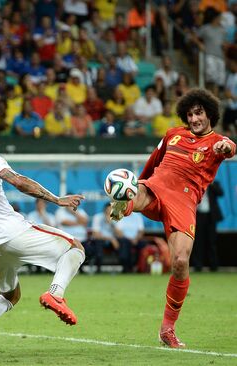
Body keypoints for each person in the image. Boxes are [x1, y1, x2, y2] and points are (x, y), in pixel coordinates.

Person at [110, 89, 236, 348]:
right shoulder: (172, 135)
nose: (193, 118)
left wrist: (226, 146)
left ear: (209, 114)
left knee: (179, 262)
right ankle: (125, 205)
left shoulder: (217, 142)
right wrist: (133, 187)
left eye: (198, 113)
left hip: (184, 201)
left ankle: (167, 329)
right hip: (156, 187)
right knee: (140, 192)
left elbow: (230, 148)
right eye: (189, 114)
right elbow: (152, 163)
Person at [0, 124, 86, 355]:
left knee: (9, 295)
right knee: (75, 246)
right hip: (12, 232)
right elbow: (19, 182)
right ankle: (56, 293)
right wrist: (56, 199)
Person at [191, 181, 224, 272]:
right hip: (198, 216)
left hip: (211, 216)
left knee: (212, 241)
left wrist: (211, 183)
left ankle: (213, 265)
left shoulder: (214, 183)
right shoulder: (194, 183)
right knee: (198, 241)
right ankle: (198, 265)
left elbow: (220, 193)